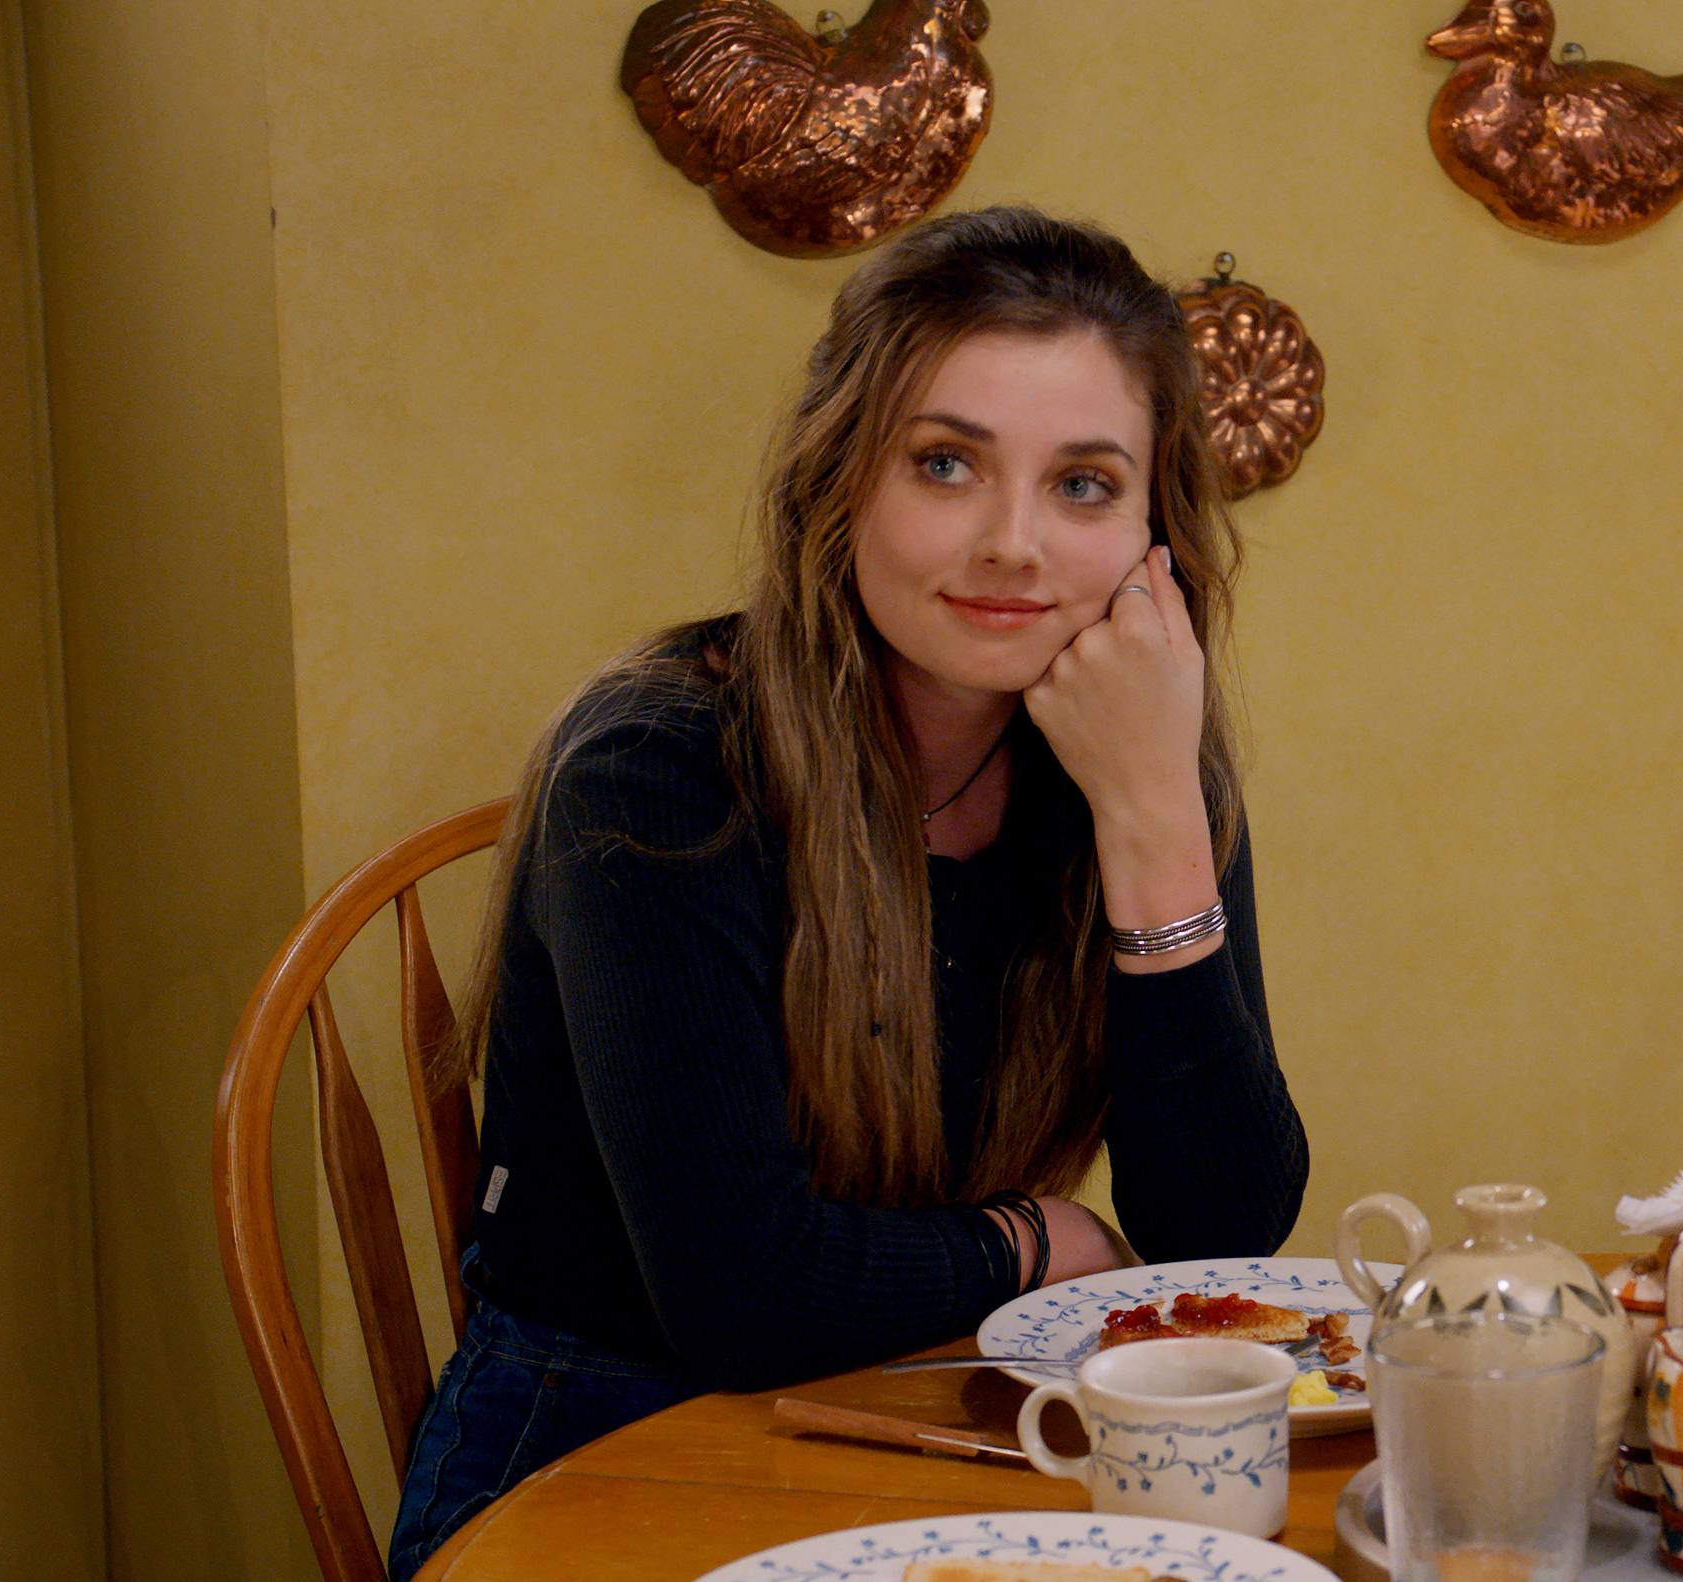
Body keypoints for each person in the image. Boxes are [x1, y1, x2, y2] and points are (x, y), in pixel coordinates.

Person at [384, 206, 1308, 1579]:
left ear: (1151, 529)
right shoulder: (654, 770)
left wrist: (1157, 818)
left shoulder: (1133, 750)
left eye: (1083, 484)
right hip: (598, 1439)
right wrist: (1040, 1235)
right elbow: (743, 1296)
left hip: (922, 1406)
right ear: (840, 478)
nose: (1013, 543)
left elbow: (1216, 1231)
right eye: (945, 464)